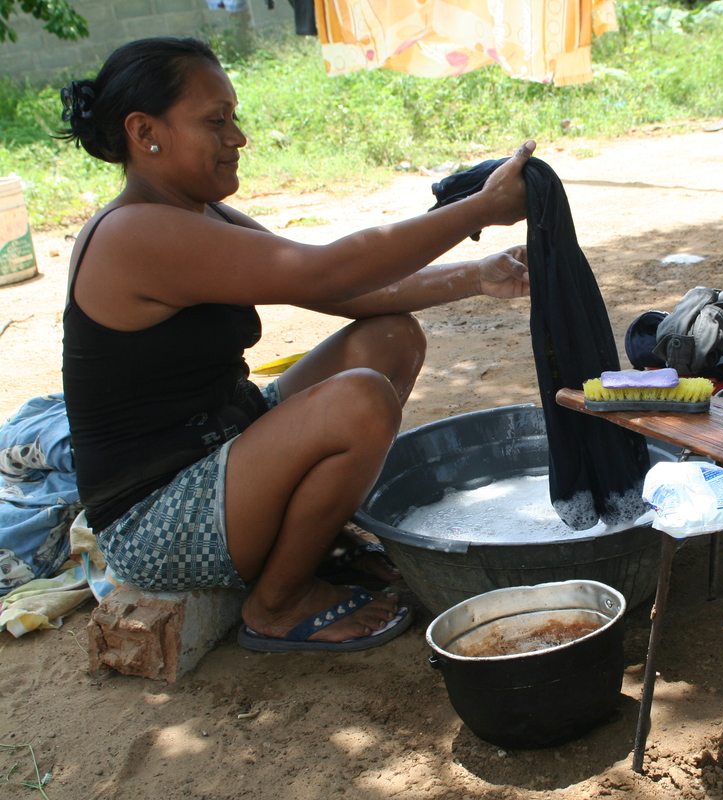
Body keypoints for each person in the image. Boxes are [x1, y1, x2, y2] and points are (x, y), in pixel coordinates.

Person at [57, 37, 535, 652]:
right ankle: (278, 605)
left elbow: (344, 291)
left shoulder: (199, 214)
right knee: (359, 400)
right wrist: (481, 205)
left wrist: (475, 275)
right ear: (145, 131)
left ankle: (319, 549)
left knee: (388, 338)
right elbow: (325, 272)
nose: (238, 138)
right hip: (159, 518)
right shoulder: (131, 234)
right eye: (215, 121)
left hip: (225, 449)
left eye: (234, 117)